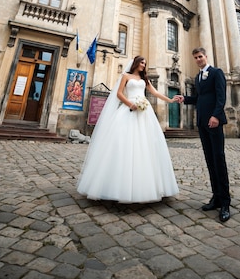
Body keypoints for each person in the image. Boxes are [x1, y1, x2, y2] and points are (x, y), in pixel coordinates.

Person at [76, 56, 179, 203]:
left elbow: (155, 93)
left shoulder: (145, 79)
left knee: (146, 145)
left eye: (145, 63)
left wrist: (171, 100)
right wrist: (130, 104)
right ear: (136, 63)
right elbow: (119, 93)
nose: (144, 65)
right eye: (142, 62)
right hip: (128, 110)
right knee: (122, 143)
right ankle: (113, 186)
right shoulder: (125, 76)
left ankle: (147, 185)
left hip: (144, 113)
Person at [176, 47, 231, 223]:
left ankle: (225, 202)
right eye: (196, 58)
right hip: (202, 123)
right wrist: (185, 98)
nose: (199, 59)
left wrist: (216, 115)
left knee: (218, 159)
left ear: (206, 57)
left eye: (200, 56)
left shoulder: (216, 73)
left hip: (214, 121)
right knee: (209, 160)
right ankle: (215, 197)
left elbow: (221, 97)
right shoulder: (198, 77)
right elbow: (200, 98)